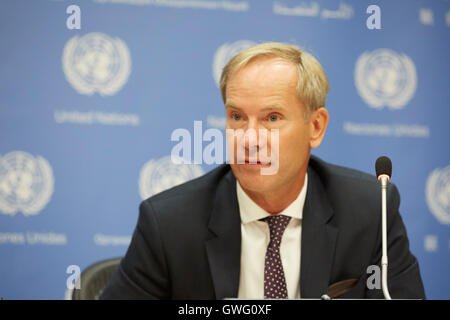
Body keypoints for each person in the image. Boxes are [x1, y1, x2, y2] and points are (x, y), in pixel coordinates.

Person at [100, 42, 425, 299]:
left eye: (272, 118)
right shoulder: (169, 224)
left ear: (315, 126)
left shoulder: (371, 210)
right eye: (237, 117)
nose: (249, 139)